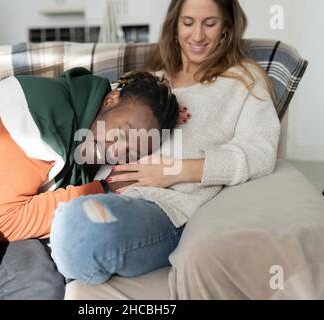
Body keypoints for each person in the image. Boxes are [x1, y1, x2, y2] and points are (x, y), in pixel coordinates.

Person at [50, 0, 281, 287]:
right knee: (47, 226)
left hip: (162, 211)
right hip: (95, 191)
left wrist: (176, 171)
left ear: (227, 28)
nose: (197, 35)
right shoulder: (152, 81)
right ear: (174, 26)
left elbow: (260, 153)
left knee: (77, 228)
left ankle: (84, 254)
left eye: (209, 23)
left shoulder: (242, 82)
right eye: (188, 23)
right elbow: (99, 121)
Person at [0, 67, 180, 299]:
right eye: (122, 132)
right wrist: (99, 190)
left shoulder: (86, 148)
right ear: (112, 99)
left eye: (130, 151)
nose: (116, 150)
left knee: (40, 285)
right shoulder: (40, 113)